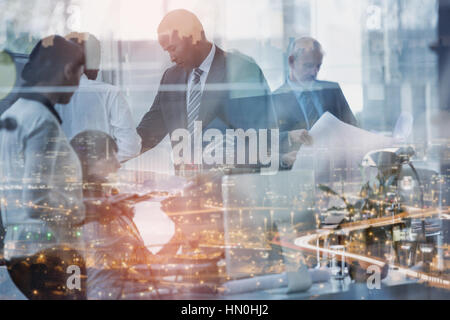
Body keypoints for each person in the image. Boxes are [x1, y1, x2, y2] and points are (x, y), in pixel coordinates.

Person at [137, 9, 277, 173]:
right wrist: (111, 153)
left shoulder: (242, 70)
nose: (171, 57)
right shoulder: (171, 77)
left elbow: (263, 137)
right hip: (186, 187)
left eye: (173, 48)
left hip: (232, 187)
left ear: (194, 37)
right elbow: (150, 130)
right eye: (167, 51)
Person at [0, 35, 87, 299]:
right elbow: (36, 199)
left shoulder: (13, 115)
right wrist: (85, 209)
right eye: (79, 75)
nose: (77, 85)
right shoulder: (41, 122)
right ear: (67, 70)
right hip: (52, 253)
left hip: (21, 251)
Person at [70, 130, 180, 299]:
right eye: (111, 157)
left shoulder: (107, 212)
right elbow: (150, 270)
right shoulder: (97, 219)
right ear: (91, 163)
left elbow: (150, 267)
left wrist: (180, 235)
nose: (118, 164)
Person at [55, 32, 141, 163]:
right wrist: (97, 164)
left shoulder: (47, 95)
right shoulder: (109, 93)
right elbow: (131, 147)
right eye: (97, 60)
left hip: (56, 178)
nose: (99, 69)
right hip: (99, 179)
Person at [274, 37, 358, 168]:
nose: (314, 72)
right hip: (297, 171)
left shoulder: (332, 90)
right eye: (308, 66)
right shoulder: (275, 99)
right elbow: (267, 142)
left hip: (335, 167)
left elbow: (353, 128)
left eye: (318, 66)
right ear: (291, 62)